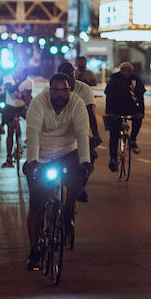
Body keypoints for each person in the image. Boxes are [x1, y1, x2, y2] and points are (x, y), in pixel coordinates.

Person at [21, 72, 93, 271]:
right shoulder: (38, 103)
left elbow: (82, 132)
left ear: (69, 90)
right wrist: (33, 161)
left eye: (65, 90)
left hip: (68, 152)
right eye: (56, 90)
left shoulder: (77, 103)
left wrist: (85, 161)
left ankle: (66, 213)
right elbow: (33, 133)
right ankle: (34, 251)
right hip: (41, 154)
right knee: (37, 204)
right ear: (50, 90)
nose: (60, 94)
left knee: (79, 180)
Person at [58, 60, 103, 201]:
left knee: (88, 158)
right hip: (55, 134)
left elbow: (91, 111)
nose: (68, 82)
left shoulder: (84, 89)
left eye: (70, 77)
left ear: (74, 76)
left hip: (79, 132)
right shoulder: (50, 90)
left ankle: (80, 186)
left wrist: (95, 134)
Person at [104, 61, 145, 171]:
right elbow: (109, 97)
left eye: (129, 70)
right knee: (114, 135)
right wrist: (109, 112)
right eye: (124, 70)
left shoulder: (136, 81)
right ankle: (113, 159)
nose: (126, 72)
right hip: (115, 110)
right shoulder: (114, 80)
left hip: (131, 109)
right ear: (120, 71)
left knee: (139, 119)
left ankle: (132, 140)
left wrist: (141, 112)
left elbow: (140, 97)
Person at [1, 73, 27, 167]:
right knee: (10, 130)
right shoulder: (7, 78)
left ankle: (23, 143)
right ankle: (8, 156)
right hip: (10, 107)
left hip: (22, 107)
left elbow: (27, 96)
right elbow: (10, 89)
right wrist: (19, 81)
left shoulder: (27, 80)